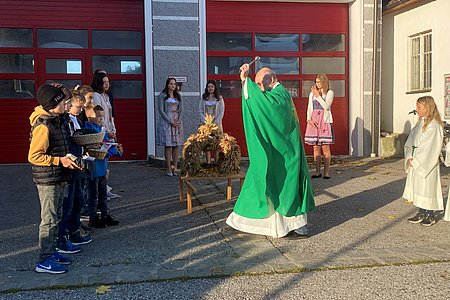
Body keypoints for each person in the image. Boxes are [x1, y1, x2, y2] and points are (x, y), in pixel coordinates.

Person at [226, 64, 315, 238]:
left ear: (271, 79)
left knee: (287, 188)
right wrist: (247, 83)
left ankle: (297, 225)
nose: (259, 87)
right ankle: (264, 224)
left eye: (260, 83)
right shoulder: (275, 94)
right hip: (281, 150)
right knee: (265, 179)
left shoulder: (280, 95)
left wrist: (246, 81)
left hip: (286, 153)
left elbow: (267, 107)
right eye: (257, 84)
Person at [29, 83, 81, 274]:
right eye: (63, 101)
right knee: (48, 220)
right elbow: (34, 156)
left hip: (59, 176)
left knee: (57, 217)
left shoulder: (57, 120)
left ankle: (52, 252)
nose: (67, 104)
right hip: (48, 180)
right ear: (53, 104)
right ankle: (43, 260)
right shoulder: (43, 125)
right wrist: (60, 160)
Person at [56, 90, 92, 255]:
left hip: (79, 163)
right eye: (78, 107)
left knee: (78, 200)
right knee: (68, 204)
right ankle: (63, 238)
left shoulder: (76, 120)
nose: (80, 110)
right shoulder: (65, 122)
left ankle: (74, 232)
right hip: (70, 165)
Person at [403, 96, 444, 227]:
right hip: (415, 158)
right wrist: (409, 155)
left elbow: (430, 147)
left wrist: (417, 160)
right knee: (418, 187)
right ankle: (421, 211)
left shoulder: (434, 126)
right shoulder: (421, 122)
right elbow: (411, 139)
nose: (417, 109)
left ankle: (429, 214)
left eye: (419, 107)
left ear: (427, 108)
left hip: (426, 162)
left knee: (427, 187)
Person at [85, 105, 121, 228]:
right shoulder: (87, 130)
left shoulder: (101, 129)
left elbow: (107, 144)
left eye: (102, 116)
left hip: (101, 166)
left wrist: (116, 150)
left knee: (102, 194)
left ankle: (105, 215)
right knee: (93, 195)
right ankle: (93, 218)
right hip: (93, 167)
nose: (101, 118)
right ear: (90, 115)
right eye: (98, 116)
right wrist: (109, 149)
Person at [304, 73, 334, 179]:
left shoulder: (329, 93)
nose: (317, 84)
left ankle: (326, 172)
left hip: (324, 122)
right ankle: (317, 171)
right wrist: (309, 119)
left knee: (325, 147)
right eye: (316, 82)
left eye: (319, 82)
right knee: (315, 147)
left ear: (324, 82)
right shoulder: (312, 94)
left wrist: (318, 96)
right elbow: (309, 108)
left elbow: (326, 106)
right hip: (314, 121)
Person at [156, 77, 184, 176]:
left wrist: (178, 121)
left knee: (176, 145)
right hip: (166, 121)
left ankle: (175, 167)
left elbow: (181, 110)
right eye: (171, 84)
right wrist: (170, 121)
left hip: (177, 121)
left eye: (174, 84)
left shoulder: (178, 96)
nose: (172, 85)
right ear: (167, 85)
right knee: (168, 145)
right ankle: (168, 168)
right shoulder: (162, 96)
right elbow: (161, 110)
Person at [199, 80, 225, 164]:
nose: (210, 88)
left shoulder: (219, 98)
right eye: (209, 87)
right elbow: (200, 110)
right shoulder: (203, 98)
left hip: (216, 124)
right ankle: (208, 163)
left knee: (216, 143)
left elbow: (221, 111)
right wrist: (205, 121)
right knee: (207, 144)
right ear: (206, 88)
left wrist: (216, 122)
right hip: (206, 124)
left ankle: (216, 162)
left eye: (212, 87)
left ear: (215, 88)